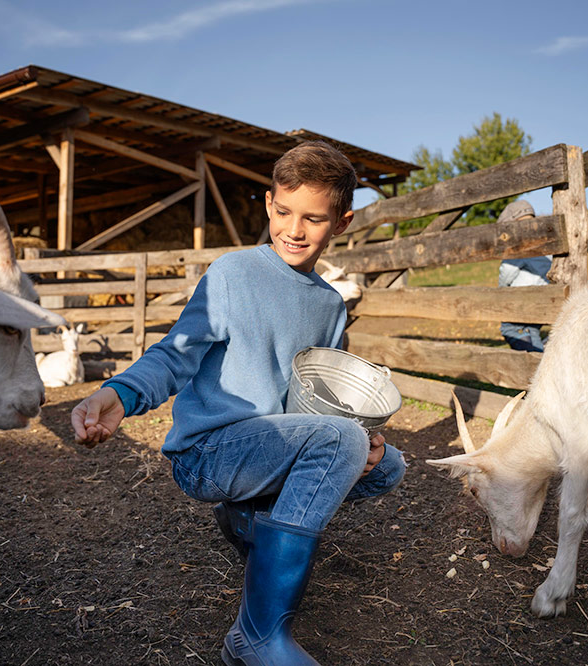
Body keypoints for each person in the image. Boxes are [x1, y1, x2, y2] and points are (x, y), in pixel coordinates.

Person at [71, 140, 406, 666]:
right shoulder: (233, 274)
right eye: (284, 211)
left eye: (313, 219)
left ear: (341, 224)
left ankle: (252, 517)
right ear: (270, 203)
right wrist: (121, 392)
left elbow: (323, 400)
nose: (295, 230)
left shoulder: (330, 305)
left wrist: (364, 437)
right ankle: (255, 637)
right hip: (210, 452)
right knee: (342, 442)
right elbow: (176, 354)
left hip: (271, 446)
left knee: (387, 465)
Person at [496, 200, 551, 353]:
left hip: (521, 300)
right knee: (530, 329)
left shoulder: (520, 246)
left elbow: (507, 271)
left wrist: (501, 291)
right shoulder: (544, 242)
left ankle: (540, 358)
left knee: (511, 329)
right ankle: (544, 348)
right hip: (541, 299)